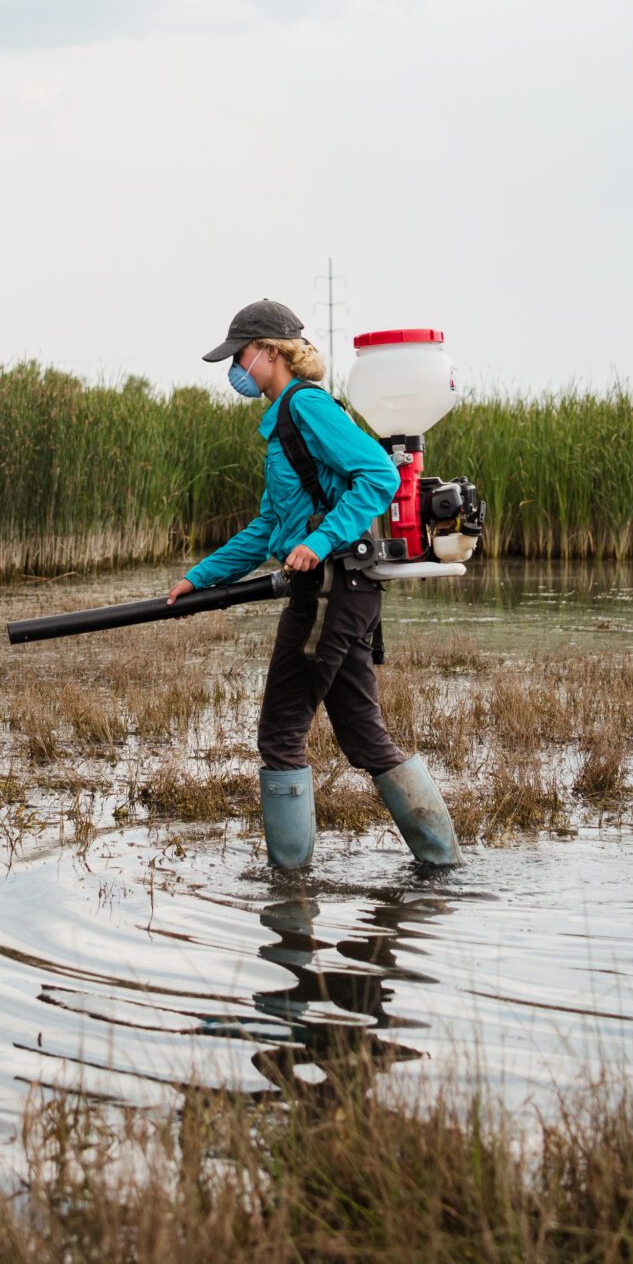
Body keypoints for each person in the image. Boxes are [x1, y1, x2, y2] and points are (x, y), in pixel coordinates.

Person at [171, 298, 459, 868]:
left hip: (330, 591)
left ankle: (289, 888)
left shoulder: (306, 406)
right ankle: (443, 864)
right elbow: (267, 529)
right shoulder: (283, 424)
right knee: (365, 739)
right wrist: (197, 578)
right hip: (342, 593)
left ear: (269, 353)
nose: (236, 369)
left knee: (280, 735)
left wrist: (321, 541)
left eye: (240, 356)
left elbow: (378, 474)